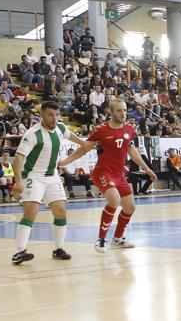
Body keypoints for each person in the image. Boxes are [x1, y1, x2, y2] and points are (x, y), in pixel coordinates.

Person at [57, 98, 158, 252]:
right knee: (114, 200)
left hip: (119, 175)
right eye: (119, 110)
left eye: (125, 110)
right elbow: (84, 148)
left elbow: (132, 150)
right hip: (103, 172)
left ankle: (117, 238)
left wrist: (147, 169)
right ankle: (101, 240)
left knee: (130, 207)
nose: (123, 113)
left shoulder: (129, 129)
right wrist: (65, 162)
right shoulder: (102, 130)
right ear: (110, 112)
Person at [9, 101, 89, 264]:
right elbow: (18, 159)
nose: (54, 118)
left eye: (56, 115)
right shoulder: (32, 134)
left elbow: (77, 140)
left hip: (52, 176)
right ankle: (19, 252)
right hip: (33, 176)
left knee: (61, 211)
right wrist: (18, 181)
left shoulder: (60, 128)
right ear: (41, 115)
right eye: (50, 115)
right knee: (31, 212)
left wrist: (85, 144)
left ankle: (58, 249)